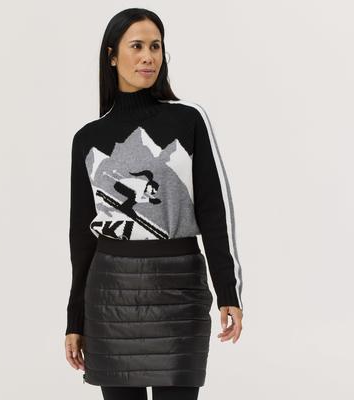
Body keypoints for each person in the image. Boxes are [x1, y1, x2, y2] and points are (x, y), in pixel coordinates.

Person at [64, 7, 244, 400]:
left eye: (156, 46)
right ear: (112, 56)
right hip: (110, 294)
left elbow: (215, 212)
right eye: (137, 46)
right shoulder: (87, 138)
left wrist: (228, 290)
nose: (148, 57)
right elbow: (81, 236)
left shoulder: (188, 120)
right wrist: (75, 319)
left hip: (179, 290)